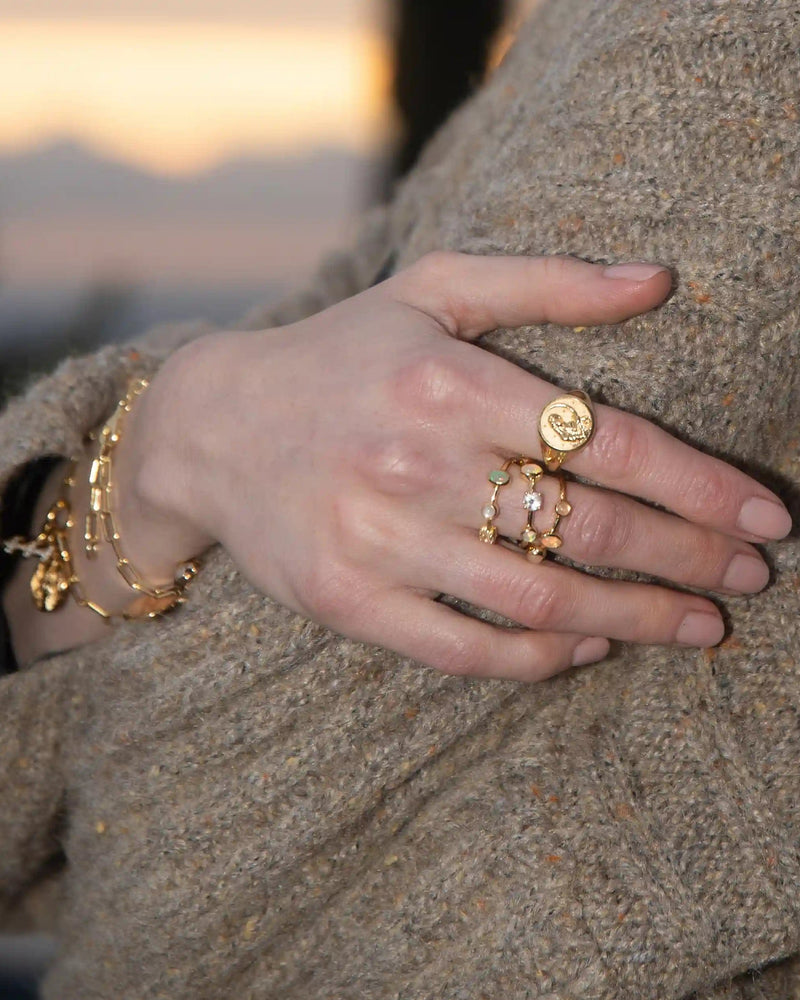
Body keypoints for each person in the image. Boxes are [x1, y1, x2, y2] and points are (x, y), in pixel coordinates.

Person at [1, 0, 799, 996]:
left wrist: (140, 482)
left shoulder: (723, 50)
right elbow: (322, 324)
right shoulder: (581, 35)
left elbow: (197, 889)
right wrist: (177, 438)